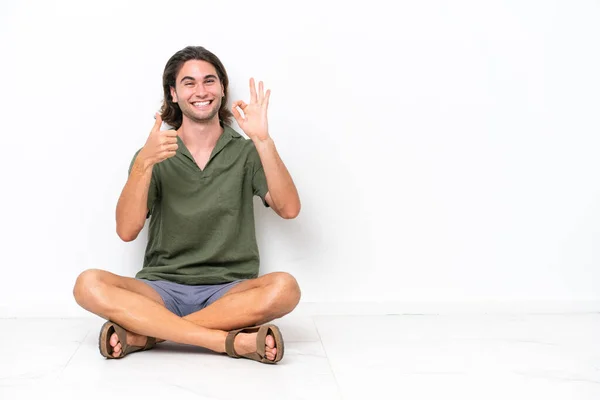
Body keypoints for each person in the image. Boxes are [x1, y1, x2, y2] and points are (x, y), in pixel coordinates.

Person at [73, 45, 301, 364]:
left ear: (222, 88)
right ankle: (226, 342)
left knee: (286, 288)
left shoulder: (247, 152)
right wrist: (143, 164)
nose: (200, 91)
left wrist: (263, 141)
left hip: (230, 291)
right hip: (161, 289)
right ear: (174, 94)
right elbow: (126, 230)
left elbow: (289, 209)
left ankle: (146, 335)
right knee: (88, 284)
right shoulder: (154, 152)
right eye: (189, 83)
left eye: (209, 81)